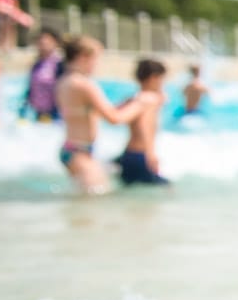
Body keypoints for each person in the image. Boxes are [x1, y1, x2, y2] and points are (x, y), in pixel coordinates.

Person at [54, 36, 145, 195]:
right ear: (83, 57)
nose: (97, 64)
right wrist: (141, 103)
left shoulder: (64, 81)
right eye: (96, 59)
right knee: (94, 201)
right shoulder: (84, 84)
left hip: (71, 148)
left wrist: (128, 103)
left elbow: (94, 111)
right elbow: (114, 118)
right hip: (80, 151)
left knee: (85, 202)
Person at [114, 59, 172, 187]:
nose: (163, 84)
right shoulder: (149, 99)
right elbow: (144, 126)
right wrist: (150, 154)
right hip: (141, 155)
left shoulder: (133, 98)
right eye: (162, 79)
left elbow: (114, 112)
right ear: (153, 78)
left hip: (128, 153)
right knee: (167, 188)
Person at [25, 29, 64, 122]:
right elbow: (31, 88)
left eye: (46, 43)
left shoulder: (59, 64)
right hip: (39, 111)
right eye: (40, 43)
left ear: (55, 43)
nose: (42, 45)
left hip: (56, 111)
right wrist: (24, 109)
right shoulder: (37, 64)